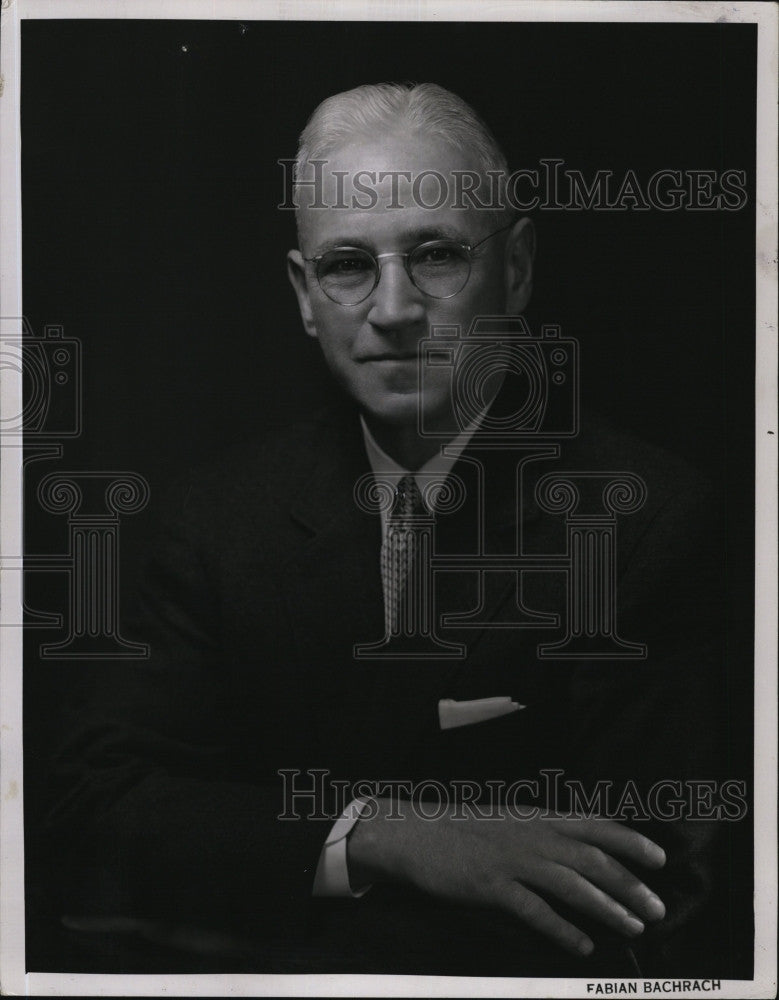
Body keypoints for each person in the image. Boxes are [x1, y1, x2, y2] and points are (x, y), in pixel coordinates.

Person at [46, 82, 733, 978]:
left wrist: (253, 883)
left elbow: (648, 905)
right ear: (304, 294)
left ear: (516, 268)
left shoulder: (648, 519)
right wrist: (379, 833)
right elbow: (95, 812)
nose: (394, 308)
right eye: (346, 265)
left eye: (437, 255)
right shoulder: (219, 520)